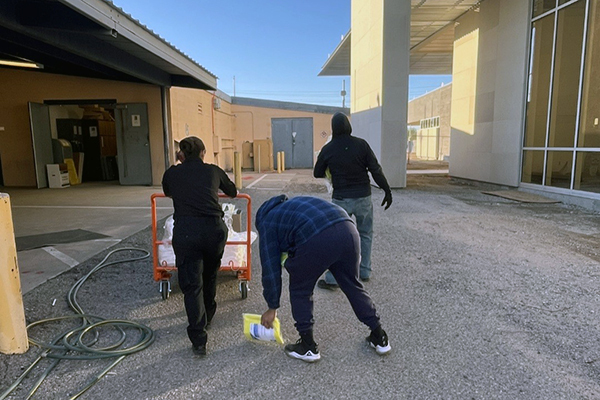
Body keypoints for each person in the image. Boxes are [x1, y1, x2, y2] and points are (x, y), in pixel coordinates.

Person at [256, 194, 391, 363]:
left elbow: (270, 269)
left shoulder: (267, 223)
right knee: (352, 284)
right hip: (348, 229)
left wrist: (272, 307)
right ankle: (379, 336)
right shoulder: (292, 205)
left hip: (317, 237)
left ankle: (308, 346)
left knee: (300, 289)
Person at [162, 136, 237, 356]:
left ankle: (199, 338)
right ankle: (209, 315)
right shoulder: (213, 171)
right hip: (213, 230)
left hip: (186, 232)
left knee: (192, 284)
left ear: (181, 155)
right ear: (203, 153)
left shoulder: (172, 173)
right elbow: (232, 191)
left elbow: (168, 192)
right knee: (210, 275)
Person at [313, 112, 392, 289]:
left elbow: (317, 172)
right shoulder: (361, 145)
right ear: (349, 126)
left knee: (337, 238)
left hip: (341, 199)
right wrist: (387, 189)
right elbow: (375, 170)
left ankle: (333, 279)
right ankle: (364, 272)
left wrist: (331, 167)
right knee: (365, 234)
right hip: (363, 197)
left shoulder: (329, 148)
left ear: (333, 128)